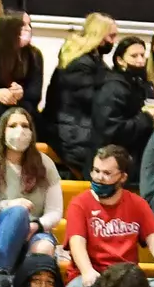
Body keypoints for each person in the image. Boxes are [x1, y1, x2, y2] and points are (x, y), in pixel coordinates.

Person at [64, 145, 154, 287]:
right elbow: (77, 243)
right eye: (96, 171)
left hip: (127, 280)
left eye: (107, 173)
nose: (99, 177)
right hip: (94, 279)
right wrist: (87, 271)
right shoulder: (80, 203)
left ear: (123, 177)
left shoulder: (137, 204)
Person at [0, 107, 63, 274]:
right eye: (13, 126)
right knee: (18, 212)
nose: (20, 131)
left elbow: (55, 210)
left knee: (44, 246)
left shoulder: (44, 163)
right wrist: (8, 205)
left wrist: (36, 225)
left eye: (25, 126)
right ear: (2, 130)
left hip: (34, 229)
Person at [48, 12, 116, 174]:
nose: (113, 42)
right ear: (98, 34)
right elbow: (93, 100)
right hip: (72, 132)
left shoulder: (92, 61)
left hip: (76, 127)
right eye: (111, 36)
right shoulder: (80, 64)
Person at [93, 36, 154, 162]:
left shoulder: (140, 83)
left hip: (132, 156)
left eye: (142, 55)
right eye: (134, 56)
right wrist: (146, 118)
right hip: (112, 160)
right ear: (120, 60)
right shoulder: (112, 87)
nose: (140, 61)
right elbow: (112, 131)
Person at [0, 11, 45, 138]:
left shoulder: (34, 55)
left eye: (29, 25)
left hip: (23, 104)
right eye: (23, 25)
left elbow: (36, 94)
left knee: (25, 113)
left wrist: (21, 93)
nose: (28, 29)